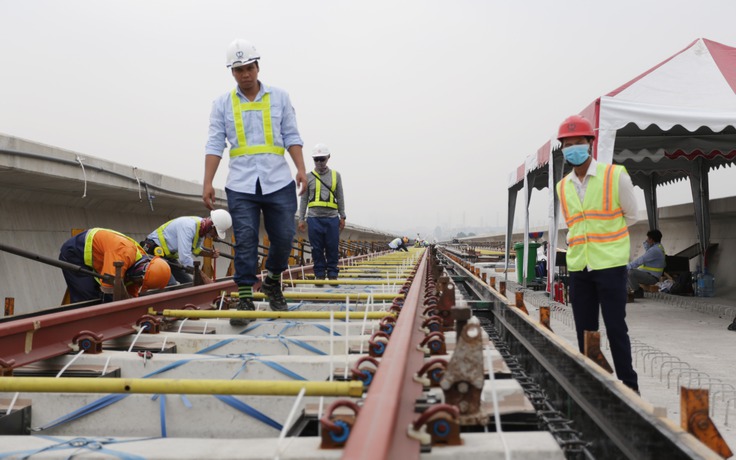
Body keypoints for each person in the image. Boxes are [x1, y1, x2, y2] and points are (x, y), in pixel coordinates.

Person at [202, 39, 307, 326]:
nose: (245, 74)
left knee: (284, 237)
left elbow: (292, 136)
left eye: (249, 67)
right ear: (232, 73)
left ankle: (273, 281)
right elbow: (214, 143)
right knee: (245, 240)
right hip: (241, 184)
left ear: (257, 67)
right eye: (238, 70)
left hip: (278, 181)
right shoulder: (222, 104)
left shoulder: (280, 97)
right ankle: (246, 296)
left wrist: (301, 169)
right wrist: (208, 181)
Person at [555, 115, 640, 393]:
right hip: (579, 267)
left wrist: (608, 240)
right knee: (585, 331)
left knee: (616, 328)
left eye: (578, 142)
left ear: (590, 143)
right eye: (568, 145)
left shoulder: (615, 175)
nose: (573, 149)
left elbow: (631, 215)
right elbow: (573, 224)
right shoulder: (563, 186)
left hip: (610, 265)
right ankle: (592, 385)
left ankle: (629, 387)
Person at [59, 228, 171, 303]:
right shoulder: (122, 253)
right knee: (88, 299)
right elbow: (109, 288)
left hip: (97, 256)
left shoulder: (138, 269)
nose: (137, 284)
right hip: (75, 252)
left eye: (140, 284)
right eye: (139, 282)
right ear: (142, 271)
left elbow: (131, 296)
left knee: (102, 299)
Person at [141, 209, 233, 285]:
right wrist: (205, 278)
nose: (215, 237)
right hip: (155, 253)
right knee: (171, 285)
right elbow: (185, 258)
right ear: (211, 226)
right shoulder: (188, 227)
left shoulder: (201, 229)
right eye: (216, 233)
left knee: (188, 283)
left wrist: (210, 254)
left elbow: (196, 250)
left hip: (168, 258)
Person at [297, 144, 346, 283]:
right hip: (314, 219)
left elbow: (340, 197)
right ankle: (319, 273)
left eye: (322, 159)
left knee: (332, 246)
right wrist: (301, 219)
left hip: (331, 219)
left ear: (328, 158)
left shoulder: (336, 176)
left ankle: (332, 273)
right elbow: (304, 199)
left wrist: (342, 216)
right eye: (316, 159)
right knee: (316, 248)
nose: (319, 162)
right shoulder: (308, 177)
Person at [627, 229, 665, 300]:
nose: (646, 240)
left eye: (648, 238)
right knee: (628, 271)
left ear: (652, 240)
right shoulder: (657, 247)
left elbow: (639, 261)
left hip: (652, 277)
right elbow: (647, 249)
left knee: (630, 272)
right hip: (649, 274)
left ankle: (637, 291)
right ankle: (627, 291)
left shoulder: (654, 250)